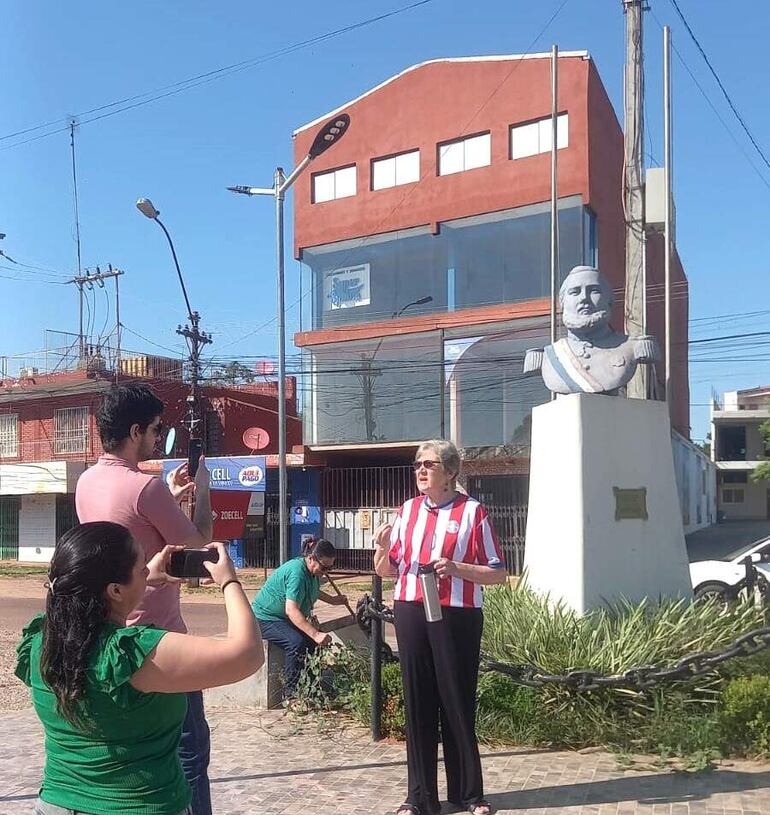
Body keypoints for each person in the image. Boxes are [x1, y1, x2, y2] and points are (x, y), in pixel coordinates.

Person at [16, 522, 262, 815]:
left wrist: (141, 582)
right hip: (137, 806)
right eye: (140, 565)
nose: (147, 568)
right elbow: (247, 653)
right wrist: (229, 582)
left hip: (56, 803)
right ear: (116, 590)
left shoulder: (42, 642)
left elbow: (90, 619)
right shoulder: (135, 655)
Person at [75, 383, 215, 815]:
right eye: (156, 429)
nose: (158, 438)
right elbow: (199, 542)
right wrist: (204, 489)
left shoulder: (86, 481)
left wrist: (168, 498)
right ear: (135, 431)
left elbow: (127, 529)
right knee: (189, 753)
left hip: (111, 637)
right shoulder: (144, 488)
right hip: (160, 641)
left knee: (137, 755)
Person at [373, 439, 507, 815]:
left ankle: (469, 794)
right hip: (411, 607)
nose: (420, 470)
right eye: (417, 463)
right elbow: (387, 570)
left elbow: (498, 573)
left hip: (458, 613)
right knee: (417, 701)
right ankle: (419, 798)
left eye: (429, 464)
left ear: (450, 472)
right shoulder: (407, 511)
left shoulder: (473, 513)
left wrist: (456, 567)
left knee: (456, 700)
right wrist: (383, 548)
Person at [523, 265, 659, 395]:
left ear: (610, 301)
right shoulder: (546, 357)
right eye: (575, 292)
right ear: (562, 304)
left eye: (594, 290)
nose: (584, 298)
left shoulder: (634, 347)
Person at [251, 538, 348, 699]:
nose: (326, 571)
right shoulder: (297, 573)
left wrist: (333, 600)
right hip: (264, 619)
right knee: (296, 642)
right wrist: (316, 634)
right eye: (324, 567)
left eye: (330, 567)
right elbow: (292, 610)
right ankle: (290, 695)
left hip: (282, 619)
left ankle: (309, 689)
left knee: (313, 645)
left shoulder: (313, 572)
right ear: (311, 558)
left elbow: (313, 591)